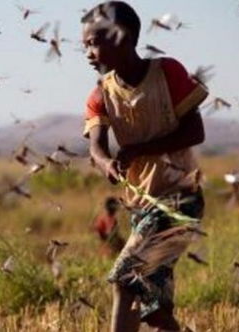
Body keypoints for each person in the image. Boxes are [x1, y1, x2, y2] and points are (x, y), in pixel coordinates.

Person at [81, 2, 207, 331]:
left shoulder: (167, 73)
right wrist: (107, 162)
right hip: (141, 205)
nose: (88, 53)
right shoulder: (100, 95)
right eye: (85, 46)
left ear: (124, 37)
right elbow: (95, 145)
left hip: (180, 199)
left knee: (126, 280)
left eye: (94, 42)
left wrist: (138, 149)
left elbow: (195, 130)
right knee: (153, 309)